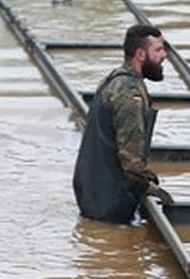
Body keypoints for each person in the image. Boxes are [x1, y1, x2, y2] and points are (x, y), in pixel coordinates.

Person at [72, 22, 173, 223]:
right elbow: (131, 156)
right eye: (159, 50)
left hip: (92, 192)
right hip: (110, 201)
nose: (164, 56)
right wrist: (150, 186)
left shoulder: (113, 79)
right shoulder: (130, 93)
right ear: (140, 55)